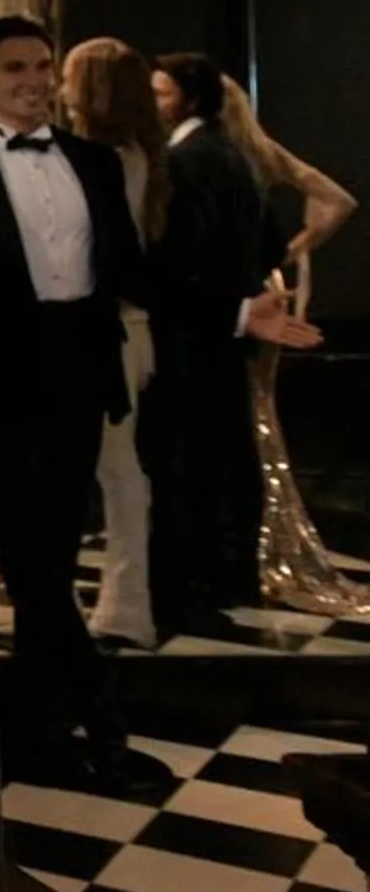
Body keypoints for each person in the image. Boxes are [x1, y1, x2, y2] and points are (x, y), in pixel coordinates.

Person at [0, 20, 229, 793]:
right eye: (14, 69)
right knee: (25, 557)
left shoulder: (93, 162)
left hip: (80, 377)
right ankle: (99, 710)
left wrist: (236, 315)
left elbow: (136, 274)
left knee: (54, 556)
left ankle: (39, 723)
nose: (33, 80)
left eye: (42, 66)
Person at [215, 86, 366, 617]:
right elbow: (338, 201)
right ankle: (267, 535)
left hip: (248, 289)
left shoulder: (224, 152)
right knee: (261, 412)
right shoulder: (259, 148)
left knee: (250, 412)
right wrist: (294, 251)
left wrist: (294, 249)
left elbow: (340, 200)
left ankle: (259, 540)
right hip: (265, 280)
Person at [144, 53, 280, 635]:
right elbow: (271, 240)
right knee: (225, 448)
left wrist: (227, 304)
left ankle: (203, 576)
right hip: (228, 326)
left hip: (196, 329)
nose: (152, 103)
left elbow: (182, 255)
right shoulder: (233, 155)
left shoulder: (186, 160)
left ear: (189, 99)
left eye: (160, 93)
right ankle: (231, 572)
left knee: (193, 456)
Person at [59, 36, 172, 650]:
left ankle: (124, 606)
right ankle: (121, 602)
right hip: (130, 326)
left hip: (109, 325)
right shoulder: (138, 152)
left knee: (112, 471)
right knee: (118, 471)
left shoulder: (104, 156)